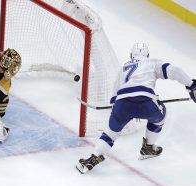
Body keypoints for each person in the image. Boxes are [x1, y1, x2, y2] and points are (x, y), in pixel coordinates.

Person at [76, 43, 196, 174]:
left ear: (131, 56)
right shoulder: (151, 62)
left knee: (110, 133)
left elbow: (114, 96)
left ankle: (93, 158)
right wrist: (191, 85)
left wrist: (118, 113)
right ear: (147, 55)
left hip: (121, 103)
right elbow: (174, 70)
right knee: (161, 115)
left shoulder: (124, 68)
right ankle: (148, 148)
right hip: (145, 101)